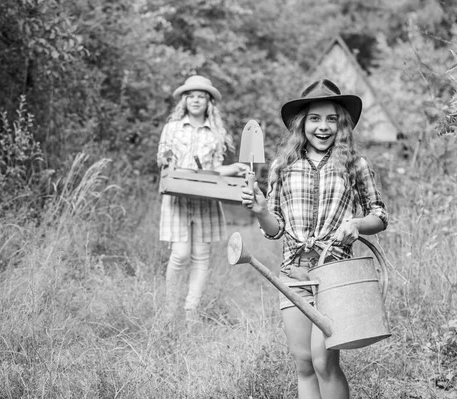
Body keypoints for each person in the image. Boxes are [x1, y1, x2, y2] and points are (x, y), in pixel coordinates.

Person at [241, 79, 388, 399]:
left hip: (334, 275)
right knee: (304, 363)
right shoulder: (283, 166)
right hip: (293, 273)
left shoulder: (355, 164)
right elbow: (274, 229)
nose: (323, 127)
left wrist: (357, 224)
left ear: (342, 124)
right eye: (315, 119)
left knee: (324, 361)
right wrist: (260, 210)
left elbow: (380, 215)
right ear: (302, 123)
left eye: (331, 119)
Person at [157, 75, 248, 322]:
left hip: (206, 198)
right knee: (180, 255)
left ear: (208, 102)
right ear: (185, 101)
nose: (196, 100)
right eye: (192, 96)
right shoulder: (172, 128)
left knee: (200, 255)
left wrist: (234, 168)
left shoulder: (216, 133)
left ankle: (191, 311)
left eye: (201, 97)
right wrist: (166, 159)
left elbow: (216, 168)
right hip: (178, 197)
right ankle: (169, 309)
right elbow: (162, 160)